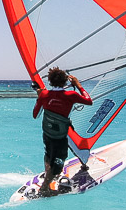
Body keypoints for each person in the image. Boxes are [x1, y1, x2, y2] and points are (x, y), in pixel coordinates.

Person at [32, 67, 93, 197]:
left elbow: (35, 115)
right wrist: (79, 86)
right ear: (66, 82)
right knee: (60, 160)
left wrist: (39, 98)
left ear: (49, 81)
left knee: (49, 154)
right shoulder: (71, 95)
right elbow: (89, 101)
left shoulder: (44, 94)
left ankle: (48, 177)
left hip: (47, 132)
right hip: (60, 135)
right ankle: (44, 188)